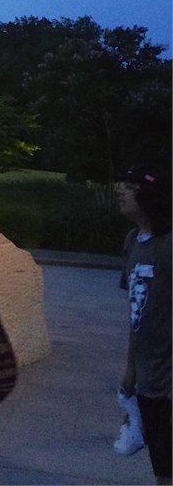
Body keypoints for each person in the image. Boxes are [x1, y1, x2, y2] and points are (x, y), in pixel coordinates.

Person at [117, 164, 172, 486]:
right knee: (161, 460)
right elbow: (135, 313)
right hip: (148, 374)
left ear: (149, 196)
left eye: (129, 187)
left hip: (168, 375)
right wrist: (131, 368)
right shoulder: (133, 241)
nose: (121, 192)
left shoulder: (168, 245)